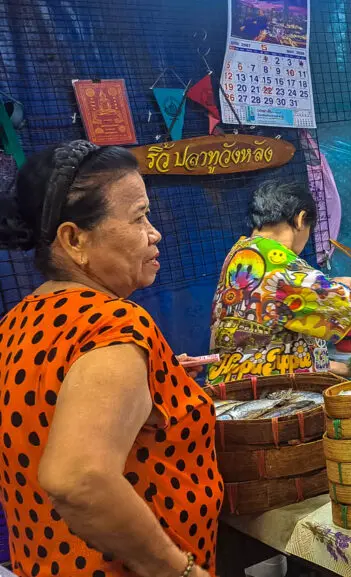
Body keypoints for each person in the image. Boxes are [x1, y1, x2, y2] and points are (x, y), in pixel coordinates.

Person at [0, 141, 218, 577]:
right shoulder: (114, 325)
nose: (155, 232)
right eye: (139, 217)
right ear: (74, 239)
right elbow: (78, 478)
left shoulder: (16, 322)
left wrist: (160, 377)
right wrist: (180, 571)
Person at [207, 181, 351, 385]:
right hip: (261, 396)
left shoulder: (241, 251)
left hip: (236, 383)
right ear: (300, 219)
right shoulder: (273, 257)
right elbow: (343, 305)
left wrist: (338, 367)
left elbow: (274, 315)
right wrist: (344, 287)